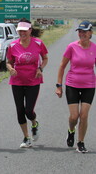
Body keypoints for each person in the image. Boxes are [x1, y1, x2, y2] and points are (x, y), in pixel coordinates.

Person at [6, 19, 48, 148]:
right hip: (17, 81)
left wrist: (40, 68)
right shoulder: (12, 45)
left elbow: (45, 58)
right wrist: (10, 69)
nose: (22, 33)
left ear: (30, 31)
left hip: (33, 81)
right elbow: (8, 61)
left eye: (24, 31)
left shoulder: (38, 43)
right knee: (20, 111)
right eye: (20, 31)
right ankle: (26, 137)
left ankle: (34, 124)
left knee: (29, 111)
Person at [56, 20, 96, 153]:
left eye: (85, 32)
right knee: (74, 117)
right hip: (72, 84)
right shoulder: (71, 47)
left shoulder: (94, 48)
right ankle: (71, 130)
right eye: (80, 31)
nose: (82, 34)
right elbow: (62, 66)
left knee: (84, 115)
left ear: (90, 33)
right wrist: (59, 85)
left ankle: (80, 142)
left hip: (89, 85)